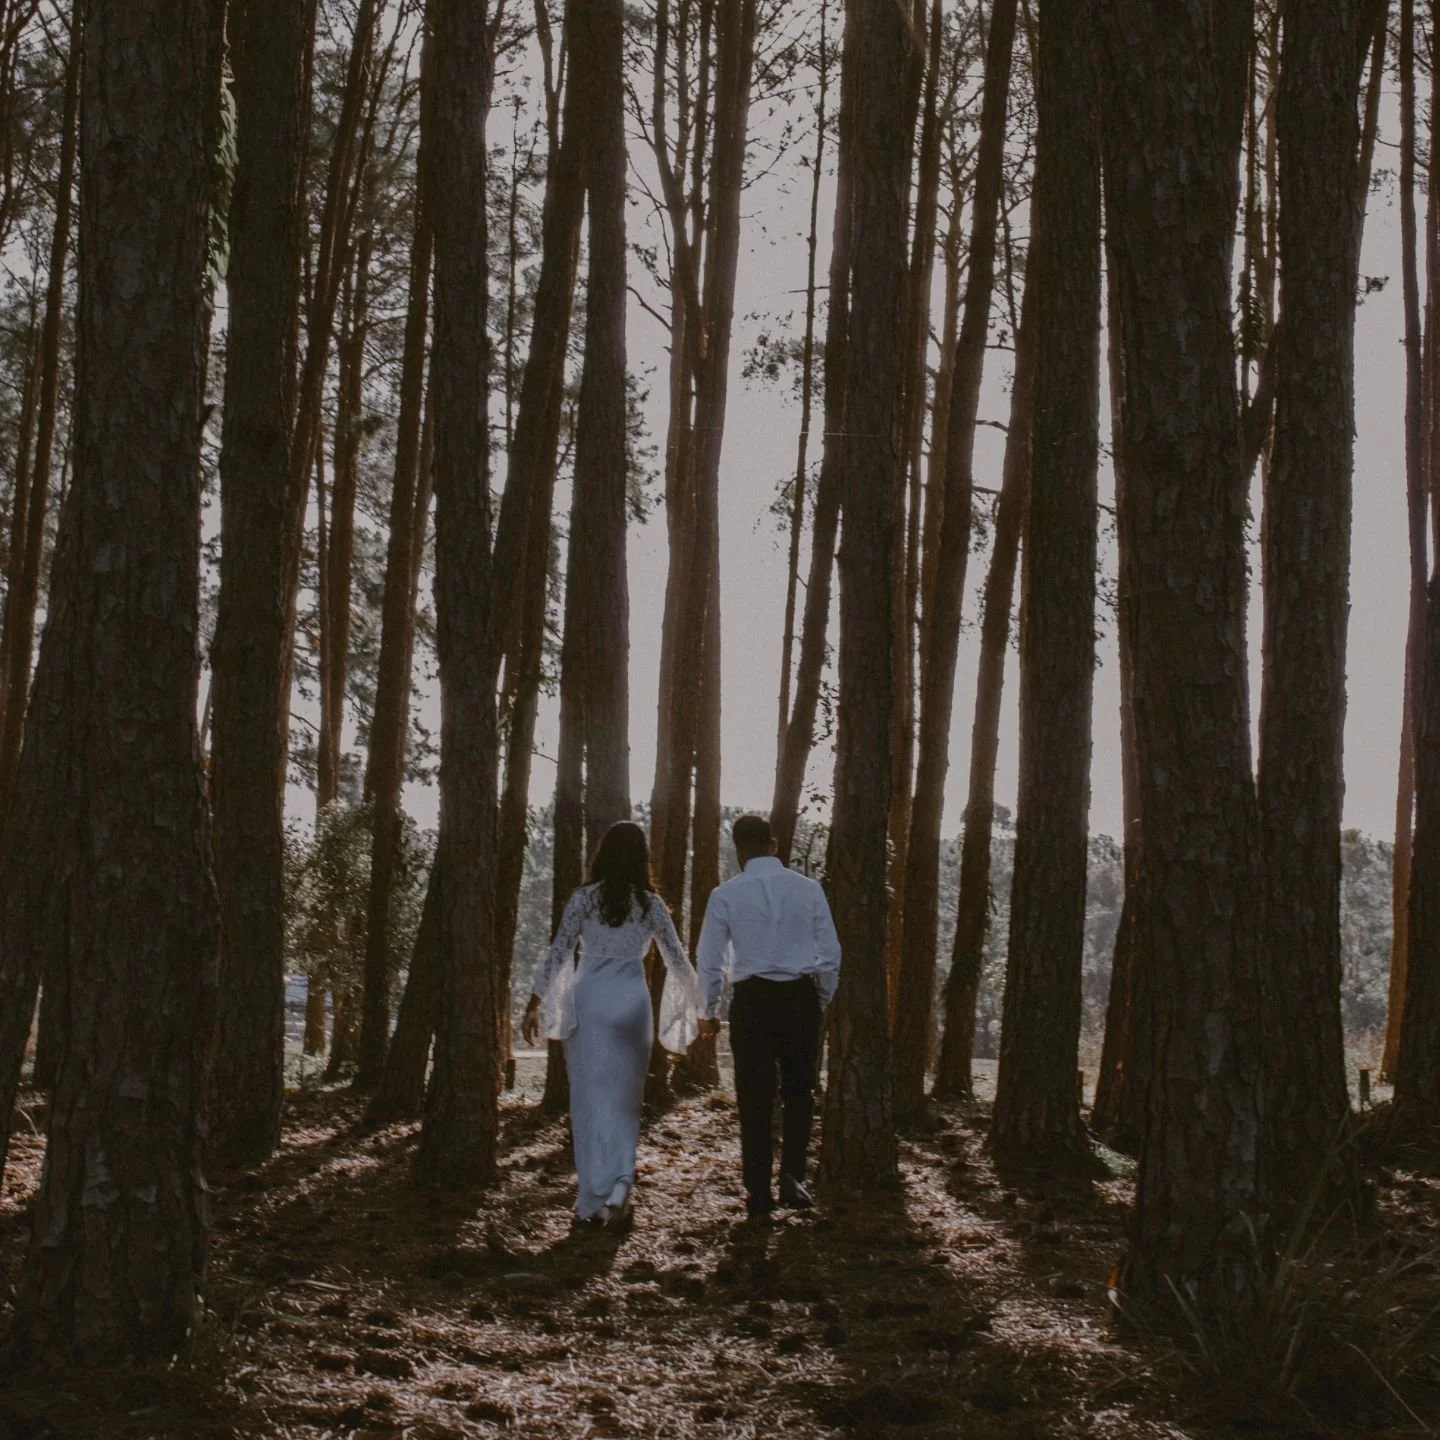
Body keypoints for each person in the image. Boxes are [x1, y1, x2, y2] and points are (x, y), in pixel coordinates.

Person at [522, 821, 698, 1229]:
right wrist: (699, 1006)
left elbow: (559, 950)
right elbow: (677, 959)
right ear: (641, 859)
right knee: (625, 1102)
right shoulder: (651, 904)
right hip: (632, 1004)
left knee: (589, 1100)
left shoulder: (584, 899)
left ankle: (591, 1199)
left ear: (602, 854)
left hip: (591, 1000)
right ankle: (620, 1192)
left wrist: (535, 1000)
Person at [696, 814, 841, 1220]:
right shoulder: (809, 890)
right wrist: (821, 999)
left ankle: (758, 1192)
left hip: (753, 1001)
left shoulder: (725, 895)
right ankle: (793, 1179)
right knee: (800, 1093)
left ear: (738, 848)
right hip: (800, 997)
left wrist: (707, 1011)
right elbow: (830, 953)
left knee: (754, 1098)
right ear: (774, 845)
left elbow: (709, 961)